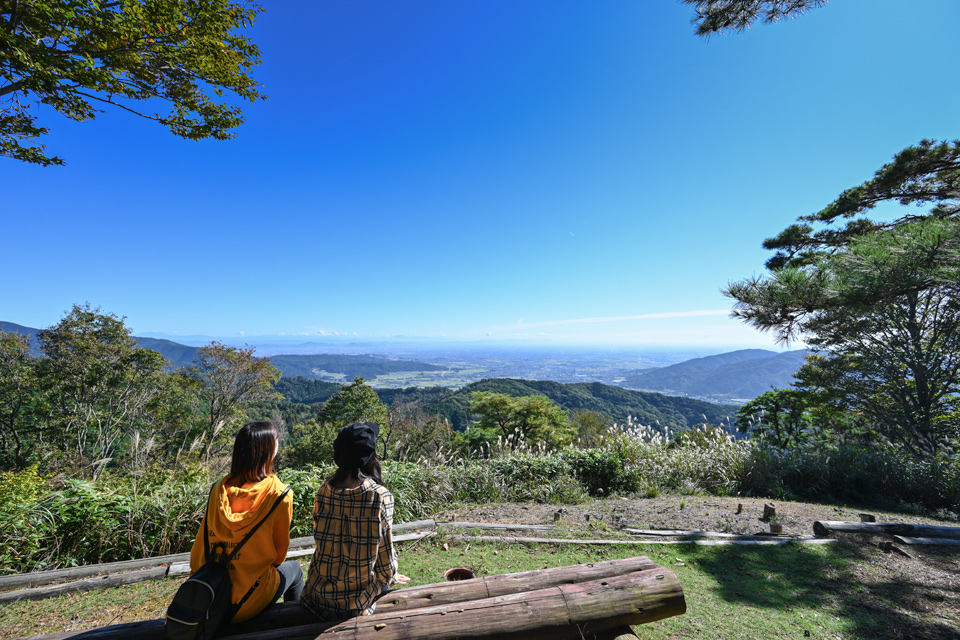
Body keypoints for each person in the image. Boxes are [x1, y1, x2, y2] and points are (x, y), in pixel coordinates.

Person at [188, 421, 303, 623]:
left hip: (206, 595)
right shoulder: (279, 494)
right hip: (246, 601)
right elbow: (278, 556)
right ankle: (291, 624)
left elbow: (199, 549)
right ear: (268, 450)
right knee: (295, 570)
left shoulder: (218, 488)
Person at [301, 421, 410, 621]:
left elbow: (323, 547)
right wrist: (391, 576)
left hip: (318, 597)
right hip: (356, 604)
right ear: (370, 457)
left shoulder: (323, 492)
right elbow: (385, 566)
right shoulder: (379, 497)